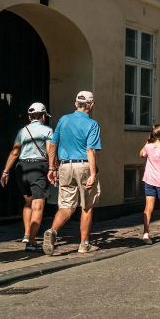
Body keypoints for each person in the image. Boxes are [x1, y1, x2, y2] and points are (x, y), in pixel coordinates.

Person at [43, 91, 101, 256]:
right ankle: (83, 244)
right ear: (90, 105)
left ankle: (53, 231)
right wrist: (92, 174)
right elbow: (90, 150)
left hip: (65, 166)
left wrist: (52, 168)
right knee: (87, 206)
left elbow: (53, 145)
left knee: (66, 206)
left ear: (76, 104)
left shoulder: (63, 120)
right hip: (83, 165)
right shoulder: (92, 124)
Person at [0, 103, 53, 251]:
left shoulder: (22, 131)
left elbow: (15, 152)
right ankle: (31, 242)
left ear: (30, 116)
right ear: (43, 116)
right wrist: (53, 168)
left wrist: (5, 171)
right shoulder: (47, 130)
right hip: (38, 168)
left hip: (21, 168)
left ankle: (27, 233)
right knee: (38, 205)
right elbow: (50, 151)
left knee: (28, 202)